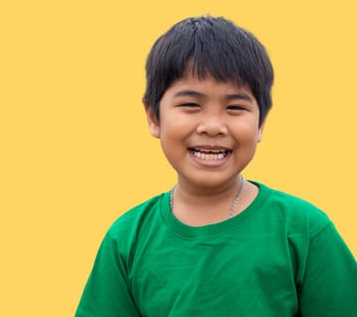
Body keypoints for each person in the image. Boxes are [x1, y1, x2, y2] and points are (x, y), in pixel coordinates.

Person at [75, 16, 357, 316]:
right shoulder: (127, 239)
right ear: (154, 118)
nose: (212, 126)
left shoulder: (305, 231)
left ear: (260, 124)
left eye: (235, 107)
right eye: (191, 105)